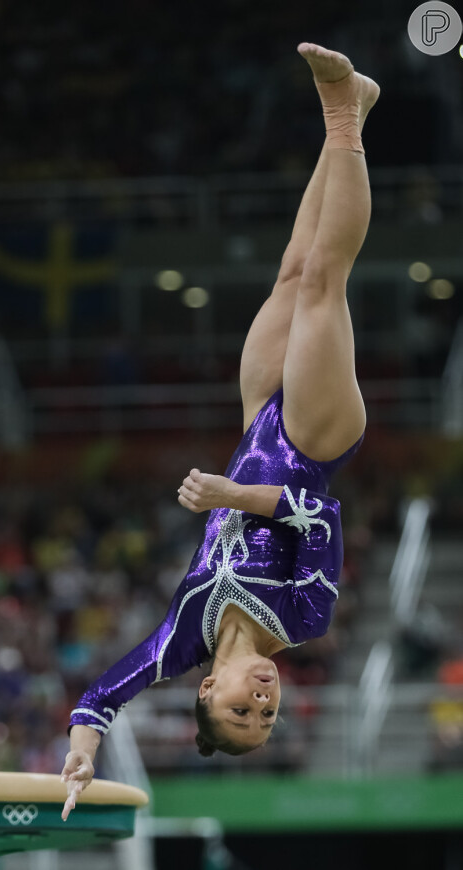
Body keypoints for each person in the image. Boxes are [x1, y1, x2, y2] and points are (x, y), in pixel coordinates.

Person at [61, 42, 380, 820]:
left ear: (207, 688)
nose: (262, 704)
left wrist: (80, 750)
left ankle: (353, 111)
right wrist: (231, 492)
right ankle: (343, 115)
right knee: (322, 286)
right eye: (267, 718)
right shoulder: (304, 619)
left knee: (292, 273)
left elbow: (105, 692)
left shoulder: (183, 636)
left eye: (243, 712)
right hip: (313, 440)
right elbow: (320, 513)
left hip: (255, 420)